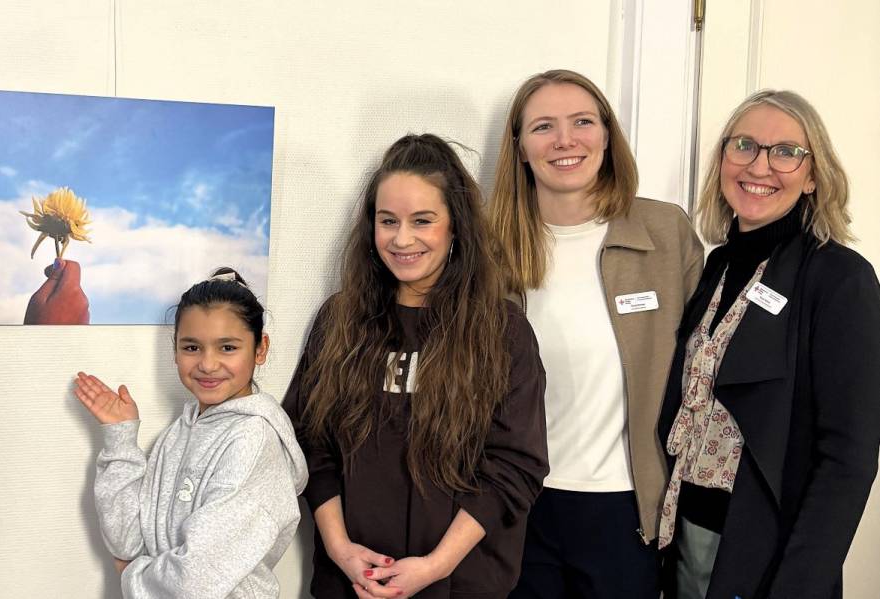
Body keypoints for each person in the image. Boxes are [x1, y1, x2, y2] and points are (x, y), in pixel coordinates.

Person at [283, 133, 548, 598]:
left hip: (460, 585)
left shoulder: (502, 330)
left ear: (456, 226)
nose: (402, 239)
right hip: (350, 582)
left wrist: (434, 567)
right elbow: (309, 442)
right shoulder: (340, 320)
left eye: (422, 220)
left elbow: (514, 467)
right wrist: (341, 551)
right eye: (388, 221)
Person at [485, 69, 703, 598]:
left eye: (582, 121)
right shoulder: (488, 246)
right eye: (543, 126)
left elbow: (704, 366)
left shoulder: (665, 232)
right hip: (516, 503)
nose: (565, 140)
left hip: (627, 507)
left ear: (607, 134)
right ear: (519, 147)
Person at [657, 90, 880, 599]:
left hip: (766, 556)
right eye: (744, 146)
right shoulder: (716, 267)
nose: (760, 166)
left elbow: (848, 458)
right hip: (685, 537)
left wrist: (799, 584)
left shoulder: (839, 279)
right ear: (723, 160)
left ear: (813, 175)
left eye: (785, 152)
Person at [74, 267, 308, 598]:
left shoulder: (253, 441)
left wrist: (132, 577)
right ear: (175, 350)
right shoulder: (180, 432)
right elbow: (126, 542)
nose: (208, 364)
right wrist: (121, 439)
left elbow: (195, 581)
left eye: (228, 348)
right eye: (192, 348)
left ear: (260, 349)